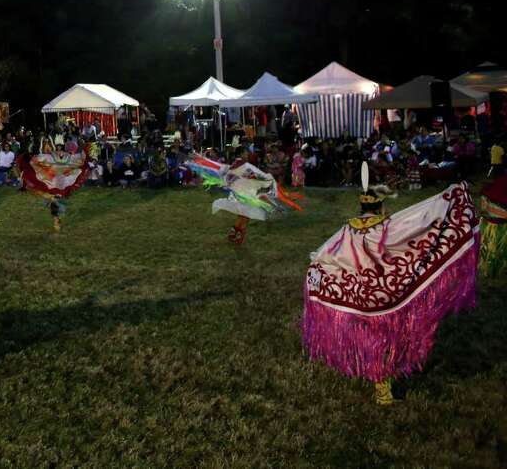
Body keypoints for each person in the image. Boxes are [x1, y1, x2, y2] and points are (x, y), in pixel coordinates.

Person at [303, 175, 477, 404]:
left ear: (361, 206)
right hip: (387, 295)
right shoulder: (388, 227)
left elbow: (327, 252)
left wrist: (316, 263)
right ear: (381, 205)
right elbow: (421, 220)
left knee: (371, 338)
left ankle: (376, 378)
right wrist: (451, 198)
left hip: (357, 295)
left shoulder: (348, 229)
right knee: (388, 340)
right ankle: (382, 387)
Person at [186, 153, 304, 246]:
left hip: (245, 195)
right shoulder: (243, 168)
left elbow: (227, 172)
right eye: (245, 153)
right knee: (246, 215)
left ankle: (235, 232)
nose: (247, 154)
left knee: (244, 214)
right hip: (246, 196)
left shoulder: (240, 168)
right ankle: (238, 234)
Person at [19, 137, 88, 232]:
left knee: (54, 199)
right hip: (55, 181)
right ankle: (56, 219)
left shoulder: (56, 156)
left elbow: (34, 160)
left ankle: (56, 218)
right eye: (58, 147)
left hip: (58, 181)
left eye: (60, 147)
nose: (59, 149)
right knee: (53, 199)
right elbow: (80, 159)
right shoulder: (57, 156)